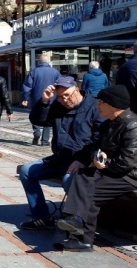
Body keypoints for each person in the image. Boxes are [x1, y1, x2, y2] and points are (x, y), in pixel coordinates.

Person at [55, 85, 137, 252]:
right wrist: (97, 156)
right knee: (82, 174)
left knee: (89, 193)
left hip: (129, 175)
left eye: (100, 102)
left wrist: (106, 164)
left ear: (113, 105)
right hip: (112, 170)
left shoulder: (132, 126)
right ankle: (77, 224)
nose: (97, 106)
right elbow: (95, 146)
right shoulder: (109, 124)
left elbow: (128, 161)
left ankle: (82, 238)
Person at [18, 76, 103, 230]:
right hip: (60, 158)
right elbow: (38, 120)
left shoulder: (94, 107)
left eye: (67, 95)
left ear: (77, 89)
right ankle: (41, 216)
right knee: (26, 171)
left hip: (83, 161)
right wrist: (44, 101)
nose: (64, 100)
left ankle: (77, 220)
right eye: (60, 97)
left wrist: (83, 160)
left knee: (68, 180)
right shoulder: (58, 106)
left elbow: (100, 139)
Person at [22, 55, 61, 146]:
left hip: (35, 98)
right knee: (48, 117)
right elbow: (60, 85)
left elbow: (27, 86)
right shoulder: (55, 72)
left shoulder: (34, 72)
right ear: (49, 62)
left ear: (39, 62)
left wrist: (25, 98)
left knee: (35, 114)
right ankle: (45, 140)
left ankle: (36, 132)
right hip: (51, 98)